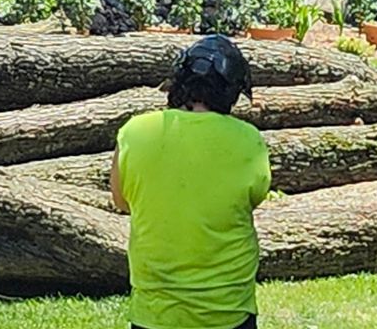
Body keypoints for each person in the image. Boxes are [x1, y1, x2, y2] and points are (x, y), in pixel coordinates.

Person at [110, 35, 271, 329]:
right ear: (232, 92)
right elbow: (255, 196)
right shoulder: (249, 140)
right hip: (229, 312)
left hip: (156, 314)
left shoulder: (134, 132)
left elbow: (121, 202)